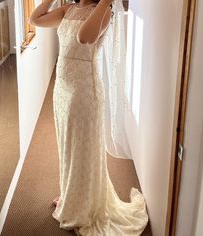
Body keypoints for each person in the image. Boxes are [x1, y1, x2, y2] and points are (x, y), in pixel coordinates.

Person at [30, 0, 149, 235]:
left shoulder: (104, 12)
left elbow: (84, 38)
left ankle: (82, 205)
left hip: (84, 90)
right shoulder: (67, 9)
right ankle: (71, 195)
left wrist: (106, 1)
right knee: (68, 146)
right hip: (62, 87)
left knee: (82, 150)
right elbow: (35, 20)